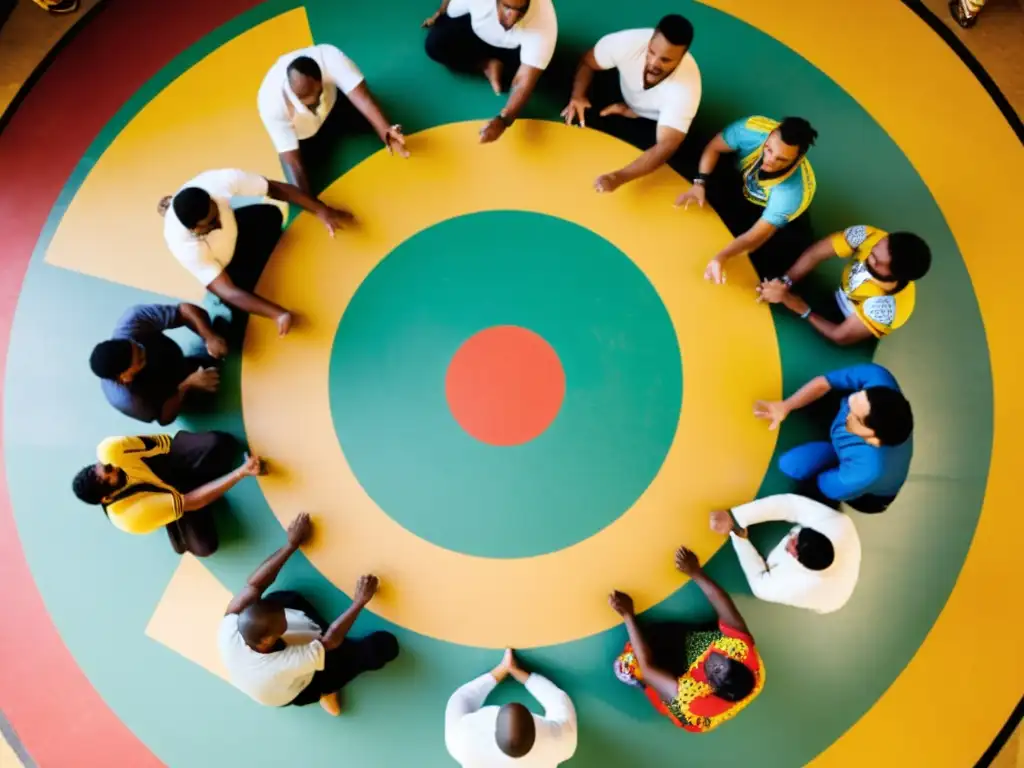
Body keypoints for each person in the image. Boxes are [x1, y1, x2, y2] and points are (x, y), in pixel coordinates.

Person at [218, 513, 398, 714]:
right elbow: (330, 641)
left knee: (284, 598)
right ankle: (326, 690)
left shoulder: (230, 624)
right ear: (268, 640)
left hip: (276, 657)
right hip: (299, 686)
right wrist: (359, 601)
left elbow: (254, 584)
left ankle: (315, 655)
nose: (287, 616)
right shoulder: (283, 664)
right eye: (283, 621)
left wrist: (291, 544)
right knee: (383, 646)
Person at [158, 169, 355, 336]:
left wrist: (321, 210)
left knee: (271, 215)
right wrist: (277, 313)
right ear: (194, 229)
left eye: (216, 213)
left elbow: (275, 188)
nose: (218, 223)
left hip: (238, 231)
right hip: (226, 265)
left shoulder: (217, 182)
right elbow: (227, 289)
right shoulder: (182, 245)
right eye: (210, 224)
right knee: (235, 310)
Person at [609, 546, 764, 733]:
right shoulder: (742, 650)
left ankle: (638, 682)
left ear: (710, 686)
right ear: (735, 659)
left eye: (715, 673)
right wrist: (695, 571)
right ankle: (690, 640)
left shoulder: (691, 698)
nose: (714, 664)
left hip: (687, 712)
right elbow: (722, 602)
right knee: (707, 634)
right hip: (738, 678)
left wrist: (627, 615)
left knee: (628, 664)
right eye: (722, 666)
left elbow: (649, 669)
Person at [561, 14, 701, 194]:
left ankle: (633, 112)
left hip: (653, 119)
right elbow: (587, 62)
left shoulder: (687, 89)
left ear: (681, 59)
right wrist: (578, 96)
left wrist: (618, 177)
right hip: (625, 93)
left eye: (665, 60)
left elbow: (666, 145)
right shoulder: (626, 43)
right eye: (651, 52)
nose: (653, 63)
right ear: (650, 41)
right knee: (575, 114)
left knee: (679, 162)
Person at [71, 432, 263, 557]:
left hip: (163, 465)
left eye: (105, 466)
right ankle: (173, 515)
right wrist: (240, 473)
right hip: (162, 499)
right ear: (106, 498)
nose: (113, 468)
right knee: (205, 547)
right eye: (109, 475)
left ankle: (191, 486)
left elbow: (164, 444)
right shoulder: (130, 516)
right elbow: (193, 502)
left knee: (220, 443)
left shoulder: (111, 450)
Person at [755, 363, 913, 513]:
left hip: (869, 495)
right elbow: (825, 382)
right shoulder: (877, 377)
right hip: (856, 455)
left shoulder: (864, 472)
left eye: (855, 417)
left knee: (795, 469)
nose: (847, 411)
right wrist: (786, 405)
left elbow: (825, 485)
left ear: (873, 439)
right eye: (854, 399)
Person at [676, 115, 817, 282]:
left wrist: (722, 256)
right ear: (770, 135)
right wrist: (699, 183)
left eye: (781, 159)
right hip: (744, 183)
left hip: (771, 213)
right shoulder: (751, 129)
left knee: (767, 265)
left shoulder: (792, 193)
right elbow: (714, 147)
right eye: (769, 150)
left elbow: (755, 236)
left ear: (798, 158)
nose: (770, 161)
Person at [258, 44, 409, 196]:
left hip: (334, 109)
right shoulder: (271, 102)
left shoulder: (330, 57)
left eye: (314, 92)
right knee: (301, 187)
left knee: (371, 120)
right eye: (303, 96)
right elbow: (294, 162)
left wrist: (386, 131)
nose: (311, 100)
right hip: (303, 137)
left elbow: (364, 100)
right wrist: (317, 209)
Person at [755, 226, 932, 345]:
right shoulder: (869, 236)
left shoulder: (885, 309)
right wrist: (785, 282)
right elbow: (816, 254)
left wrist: (796, 305)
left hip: (848, 321)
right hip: (838, 294)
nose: (868, 254)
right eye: (874, 248)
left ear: (894, 275)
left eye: (876, 260)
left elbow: (839, 336)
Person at [422, 0, 558, 144]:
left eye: (521, 10)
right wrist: (439, 13)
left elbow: (523, 81)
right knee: (435, 43)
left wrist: (504, 120)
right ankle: (485, 64)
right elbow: (448, 7)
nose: (512, 18)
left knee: (542, 76)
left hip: (511, 51)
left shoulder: (544, 23)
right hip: (476, 35)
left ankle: (494, 64)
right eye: (507, 8)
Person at [709, 494, 861, 614]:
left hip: (834, 598)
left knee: (770, 564)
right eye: (797, 535)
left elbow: (758, 583)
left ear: (798, 559)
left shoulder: (798, 585)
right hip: (845, 549)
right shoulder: (838, 524)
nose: (791, 538)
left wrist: (738, 535)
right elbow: (792, 505)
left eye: (794, 545)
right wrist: (736, 516)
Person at [89, 303, 228, 424]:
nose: (144, 351)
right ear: (125, 376)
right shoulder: (125, 399)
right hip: (173, 395)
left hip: (181, 362)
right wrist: (188, 385)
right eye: (140, 359)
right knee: (212, 400)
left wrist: (209, 337)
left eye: (138, 346)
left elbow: (184, 310)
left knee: (223, 327)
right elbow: (163, 417)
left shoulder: (133, 321)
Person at [445, 648, 577, 766]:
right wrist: (521, 674)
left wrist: (501, 670)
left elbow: (462, 697)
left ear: (494, 729)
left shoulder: (462, 741)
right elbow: (558, 700)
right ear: (535, 727)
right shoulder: (560, 741)